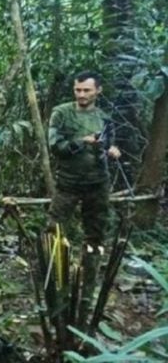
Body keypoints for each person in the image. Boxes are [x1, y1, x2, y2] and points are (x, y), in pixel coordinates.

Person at [47, 70, 121, 320]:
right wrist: (82, 141)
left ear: (98, 91)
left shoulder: (104, 118)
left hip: (97, 184)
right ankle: (57, 287)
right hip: (68, 184)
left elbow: (108, 143)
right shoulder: (62, 113)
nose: (81, 94)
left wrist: (112, 150)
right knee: (55, 232)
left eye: (86, 90)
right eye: (78, 90)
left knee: (95, 236)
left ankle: (88, 290)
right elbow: (56, 147)